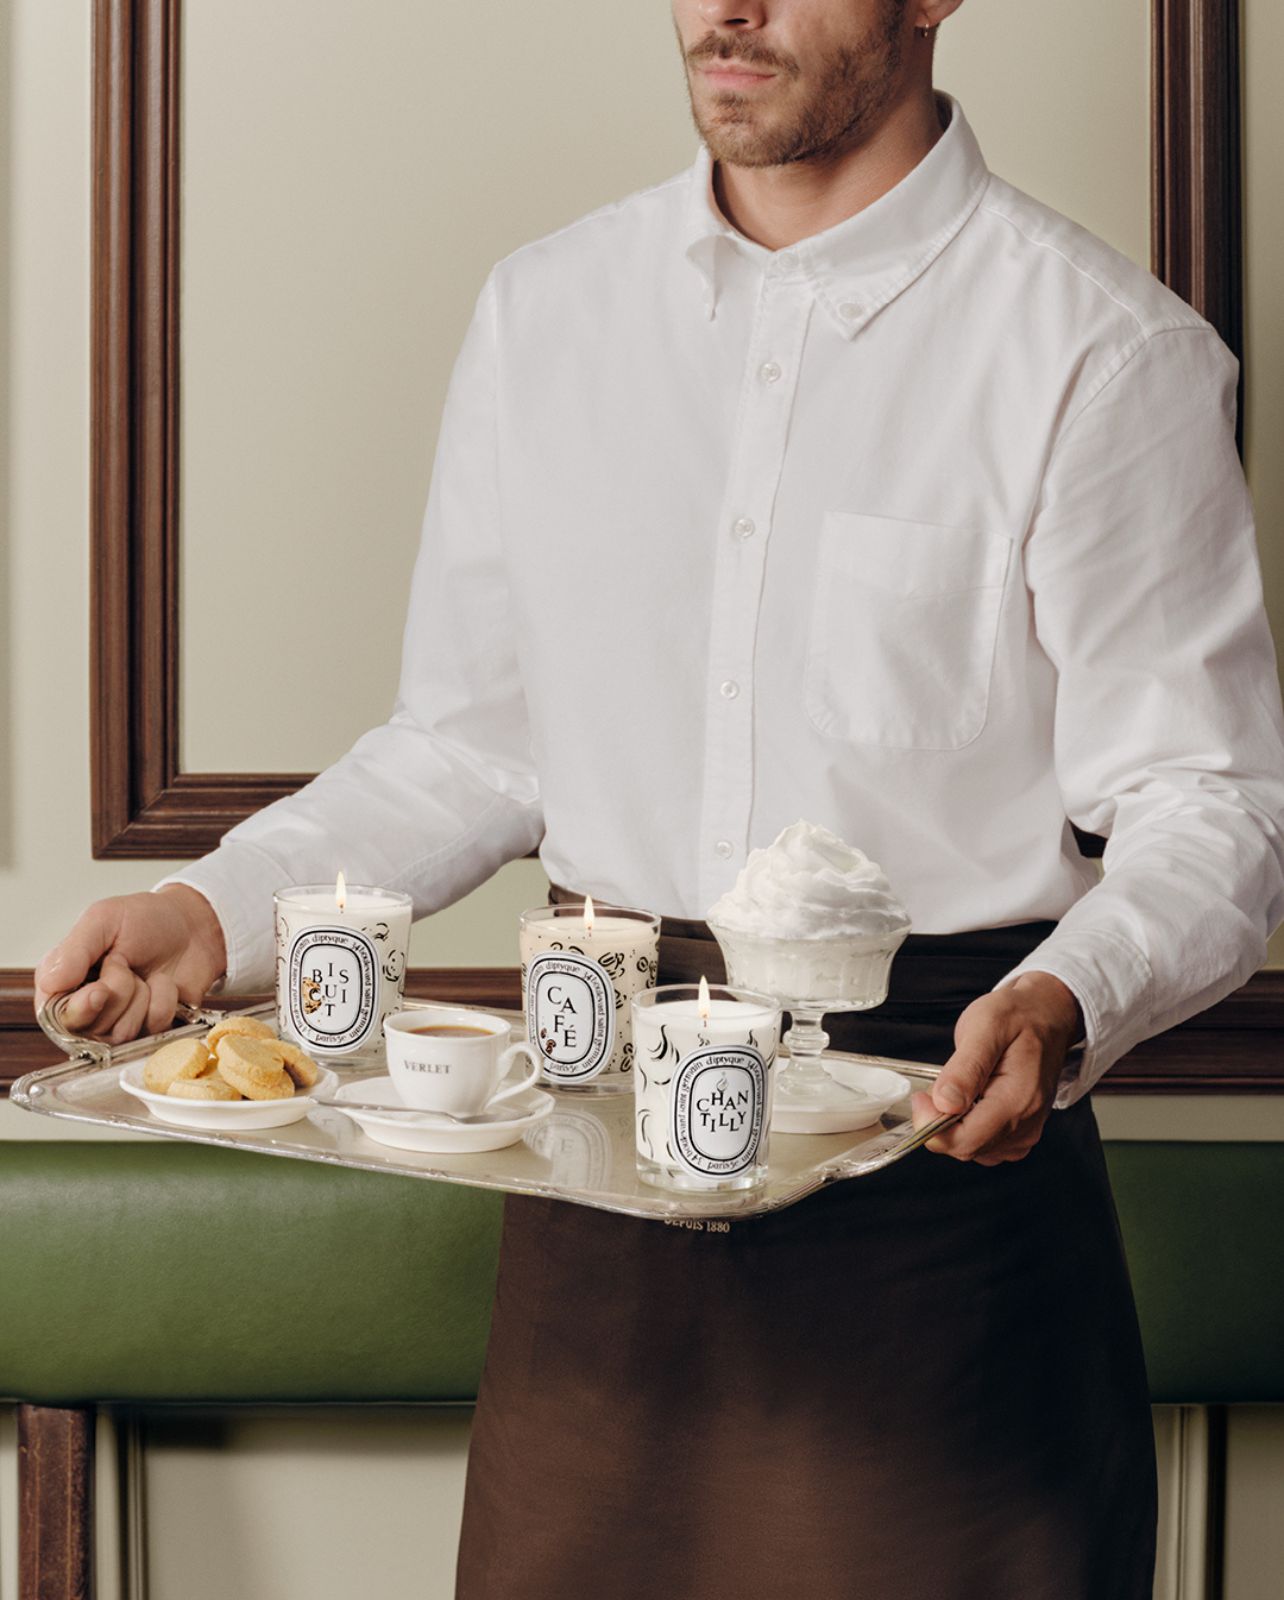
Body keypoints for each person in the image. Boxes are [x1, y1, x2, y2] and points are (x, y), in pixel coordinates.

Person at [35, 1, 1284, 1594]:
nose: (727, 8)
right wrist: (209, 907)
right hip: (594, 1201)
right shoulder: (543, 314)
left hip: (939, 1190)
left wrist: (1066, 999)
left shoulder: (1103, 353)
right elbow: (470, 746)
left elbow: (1210, 805)